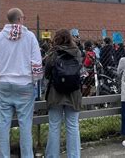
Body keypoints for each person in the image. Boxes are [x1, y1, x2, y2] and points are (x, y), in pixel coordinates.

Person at [0, 8, 43, 158]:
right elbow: (37, 64)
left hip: (4, 84)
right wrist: (34, 80)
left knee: (3, 125)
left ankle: (4, 156)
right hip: (25, 85)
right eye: (23, 17)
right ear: (19, 19)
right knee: (25, 125)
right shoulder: (30, 37)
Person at [44, 29, 82, 158]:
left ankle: (52, 155)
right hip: (74, 93)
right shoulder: (77, 53)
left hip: (56, 92)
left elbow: (47, 74)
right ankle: (74, 155)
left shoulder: (53, 53)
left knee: (54, 126)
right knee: (73, 126)